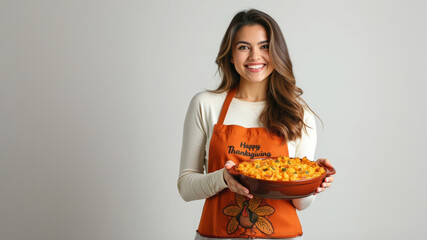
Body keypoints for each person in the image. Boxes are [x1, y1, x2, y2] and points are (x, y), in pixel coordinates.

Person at [178, 9, 335, 240]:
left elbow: (301, 204)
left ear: (277, 53)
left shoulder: (298, 114)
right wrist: (222, 178)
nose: (255, 56)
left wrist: (311, 181)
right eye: (243, 47)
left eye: (264, 46)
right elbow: (185, 187)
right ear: (230, 55)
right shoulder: (205, 105)